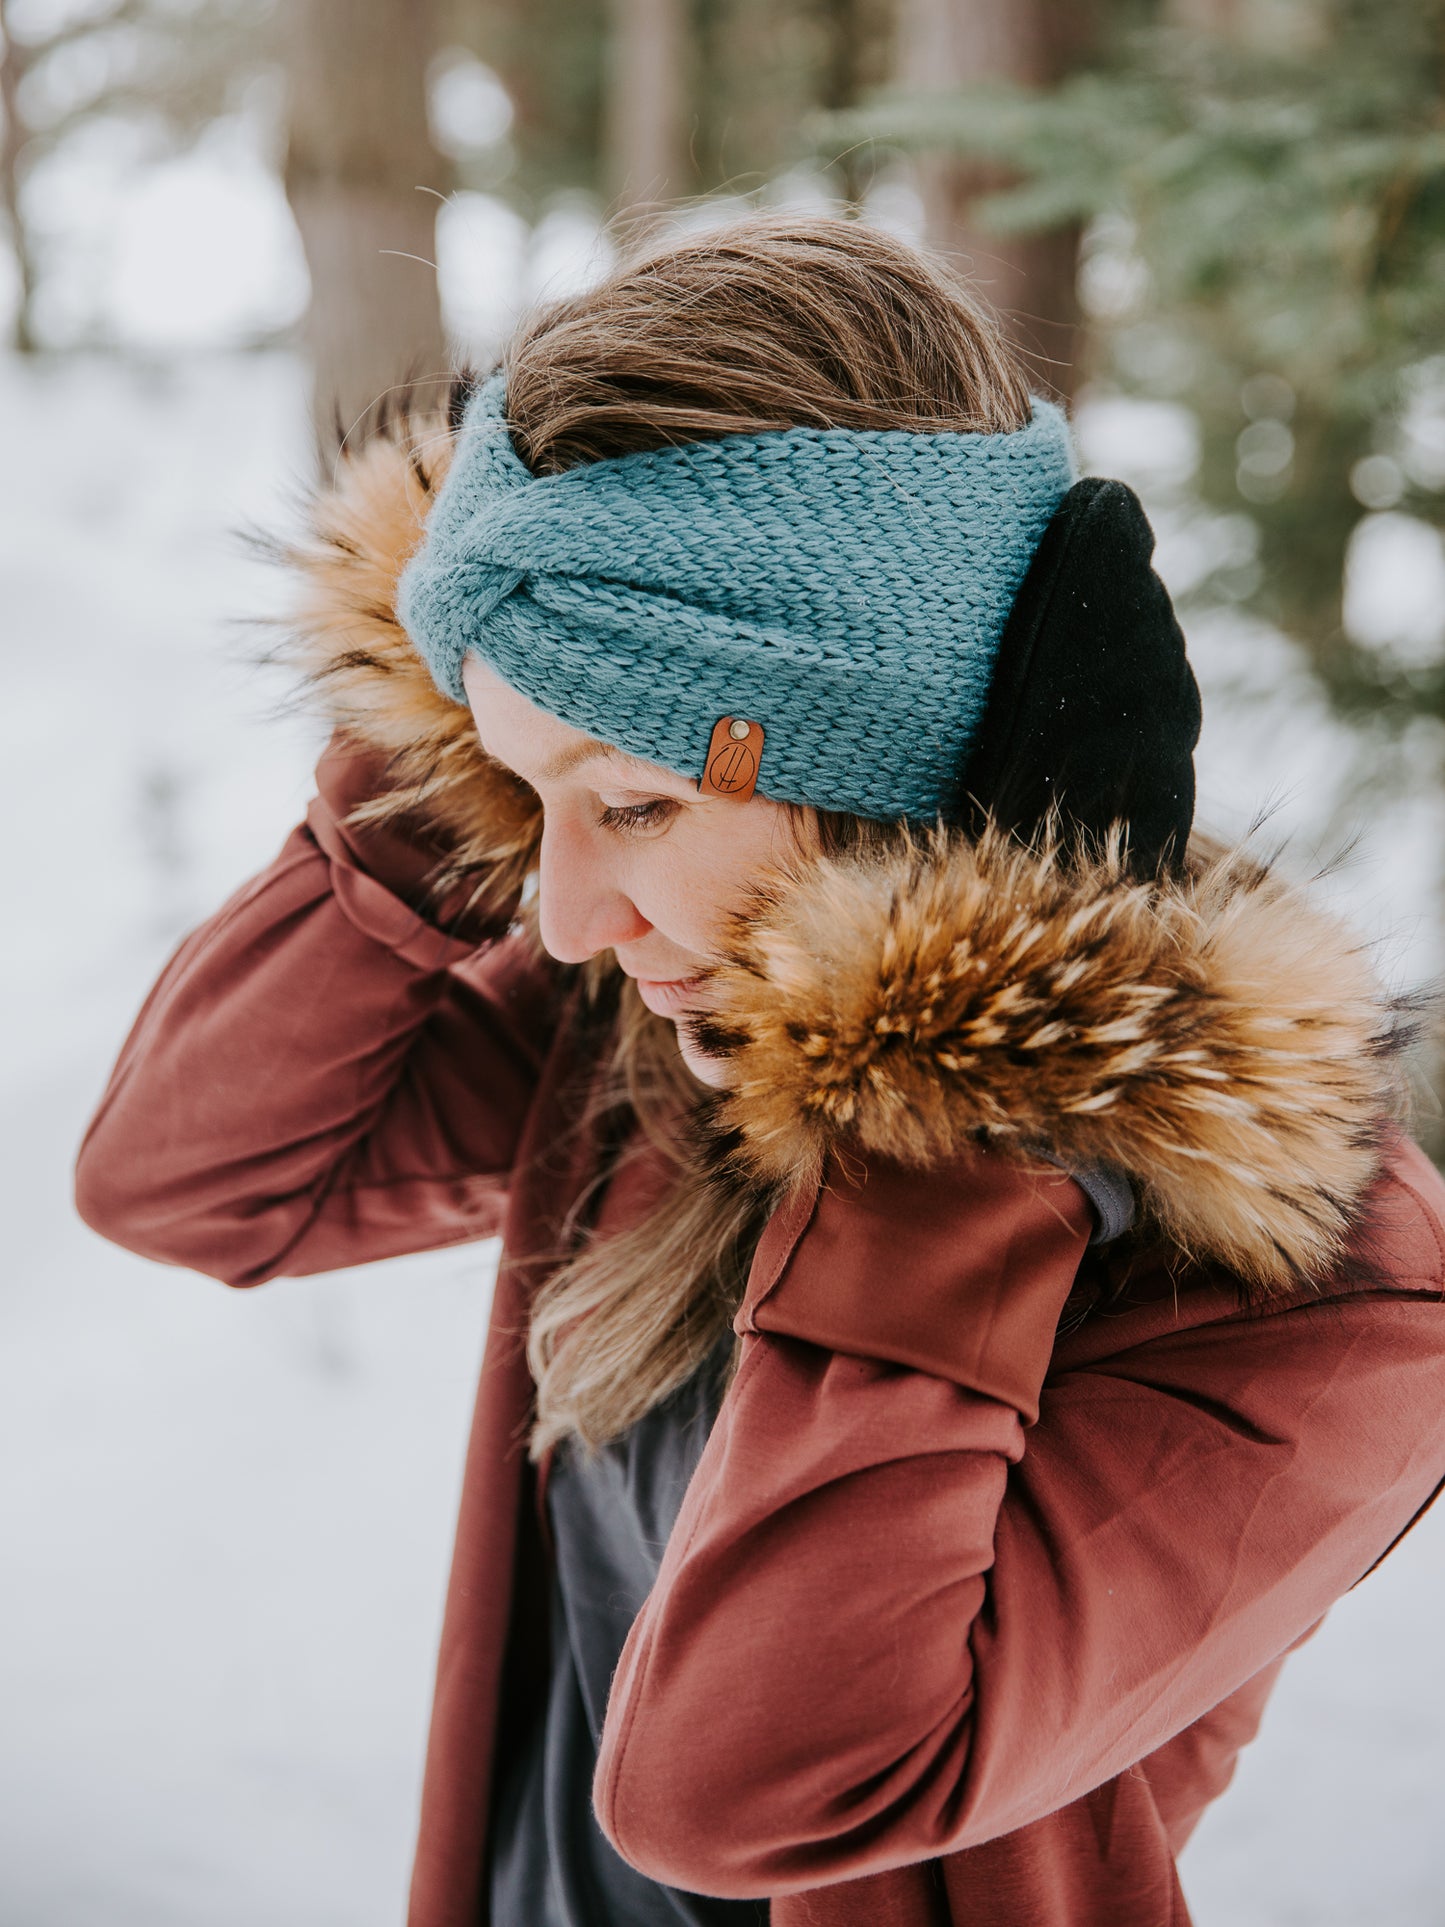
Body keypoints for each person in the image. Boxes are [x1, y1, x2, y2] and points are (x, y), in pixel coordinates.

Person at [73, 213, 1445, 1927]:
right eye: (527, 802)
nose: (566, 921)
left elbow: (761, 1786)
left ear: (911, 762)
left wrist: (969, 1058)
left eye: (639, 805)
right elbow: (194, 1184)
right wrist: (479, 695)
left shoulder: (1320, 1298)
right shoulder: (662, 1040)